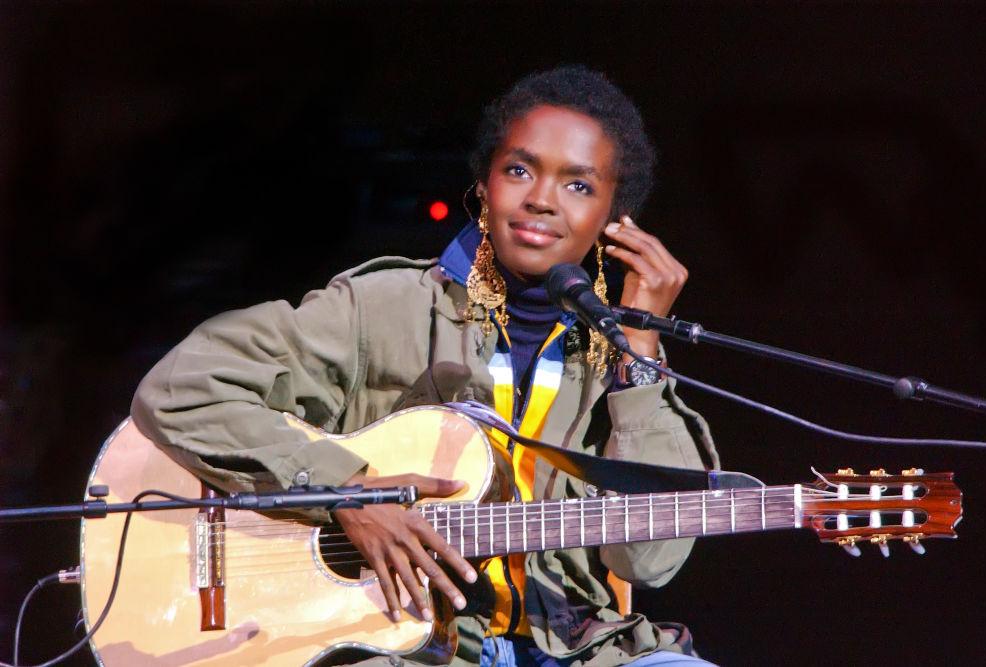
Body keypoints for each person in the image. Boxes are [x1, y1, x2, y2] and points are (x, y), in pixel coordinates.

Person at [132, 65, 720, 666]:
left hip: (582, 650)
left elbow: (648, 563)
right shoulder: (385, 306)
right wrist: (342, 492)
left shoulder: (616, 358)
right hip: (408, 647)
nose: (540, 199)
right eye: (518, 170)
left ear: (614, 219)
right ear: (484, 185)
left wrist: (640, 357)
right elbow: (180, 388)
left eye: (578, 186)